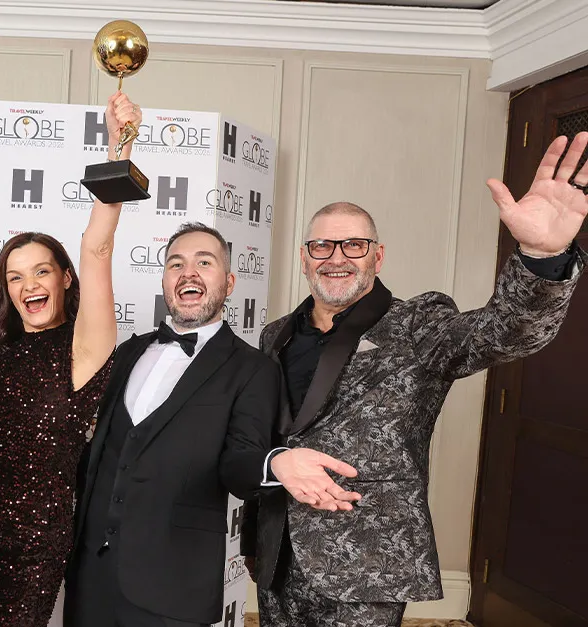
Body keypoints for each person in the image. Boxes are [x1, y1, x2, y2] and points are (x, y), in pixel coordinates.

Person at [241, 131, 588, 627]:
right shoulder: (275, 334)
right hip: (278, 548)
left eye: (353, 245)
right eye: (321, 246)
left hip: (369, 557)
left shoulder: (418, 324)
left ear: (377, 256)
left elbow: (503, 332)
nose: (336, 257)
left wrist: (541, 257)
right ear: (305, 257)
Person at [65, 221, 352, 627]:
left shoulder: (253, 369)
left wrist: (274, 464)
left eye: (204, 262)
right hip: (91, 578)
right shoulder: (127, 351)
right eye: (176, 264)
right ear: (164, 280)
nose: (189, 273)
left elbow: (238, 464)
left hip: (174, 585)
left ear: (229, 282)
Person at [0, 91, 137, 627]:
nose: (28, 284)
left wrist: (119, 148)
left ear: (65, 279)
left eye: (41, 271)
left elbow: (97, 247)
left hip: (35, 536)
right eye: (15, 276)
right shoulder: (0, 352)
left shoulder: (85, 347)